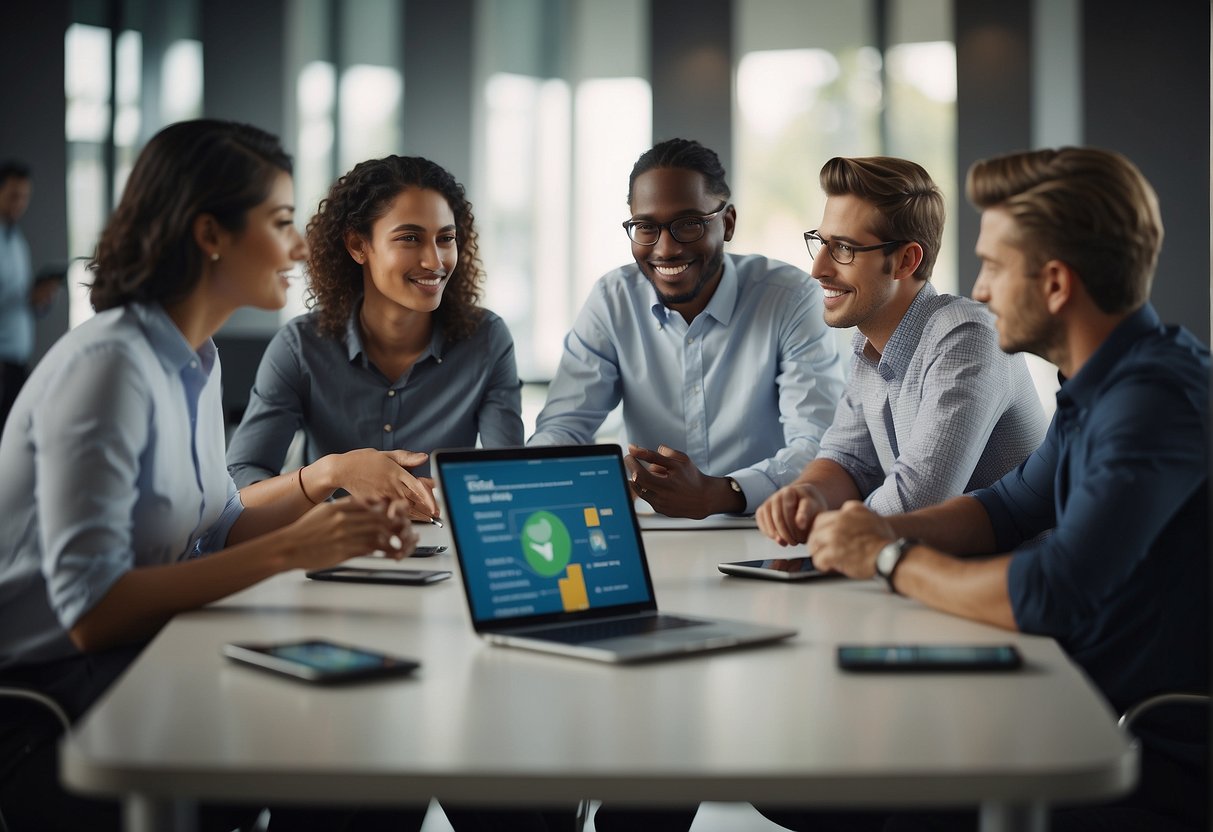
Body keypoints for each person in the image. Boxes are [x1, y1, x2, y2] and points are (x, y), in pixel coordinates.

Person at [0, 120, 419, 831]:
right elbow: (93, 613)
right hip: (51, 709)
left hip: (139, 659)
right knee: (346, 748)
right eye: (281, 222)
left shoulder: (194, 357)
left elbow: (221, 524)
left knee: (370, 718)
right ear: (209, 234)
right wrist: (293, 549)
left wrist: (331, 492)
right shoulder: (109, 368)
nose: (298, 246)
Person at [799, 147, 1209, 831]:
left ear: (1055, 284)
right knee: (818, 775)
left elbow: (1051, 590)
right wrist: (881, 531)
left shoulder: (1152, 401)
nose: (980, 290)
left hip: (1130, 744)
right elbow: (1007, 507)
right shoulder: (1102, 384)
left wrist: (888, 558)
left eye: (992, 266)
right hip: (1064, 689)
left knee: (841, 796)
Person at [529, 138, 846, 518]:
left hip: (764, 527)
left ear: (727, 223)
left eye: (689, 224)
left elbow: (818, 444)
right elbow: (563, 428)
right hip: (652, 531)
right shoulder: (612, 301)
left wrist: (724, 493)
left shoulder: (790, 298)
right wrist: (552, 479)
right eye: (646, 227)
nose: (666, 249)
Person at [756, 156, 1047, 547]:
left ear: (906, 261)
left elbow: (918, 502)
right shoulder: (869, 346)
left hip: (1007, 578)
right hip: (922, 574)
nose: (818, 269)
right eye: (821, 243)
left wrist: (833, 528)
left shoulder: (967, 335)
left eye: (844, 248)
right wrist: (806, 494)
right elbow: (846, 460)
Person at [227, 155, 523, 520]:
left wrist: (450, 496)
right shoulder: (300, 347)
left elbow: (509, 478)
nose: (435, 261)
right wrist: (332, 474)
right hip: (327, 543)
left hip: (443, 544)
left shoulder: (487, 340)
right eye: (410, 238)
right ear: (357, 245)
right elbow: (241, 486)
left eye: (446, 238)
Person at [0, 160, 59, 430]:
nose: (20, 203)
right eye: (14, 195)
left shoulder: (16, 240)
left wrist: (38, 299)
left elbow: (19, 295)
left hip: (17, 358)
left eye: (25, 197)